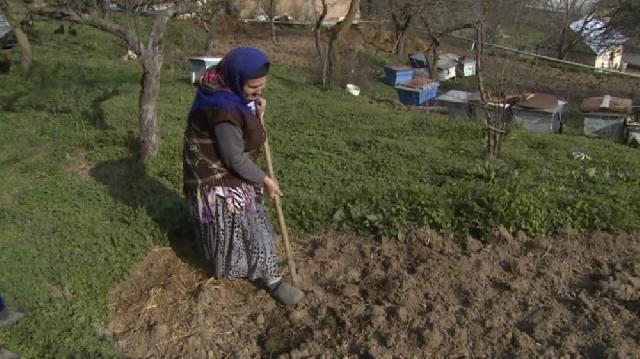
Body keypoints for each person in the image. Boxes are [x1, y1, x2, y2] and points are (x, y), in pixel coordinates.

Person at [183, 47, 304, 306]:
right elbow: (234, 158)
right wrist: (265, 180)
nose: (259, 91)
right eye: (253, 87)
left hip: (224, 166)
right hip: (216, 178)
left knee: (245, 220)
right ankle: (273, 279)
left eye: (262, 86)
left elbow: (243, 113)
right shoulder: (222, 111)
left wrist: (255, 110)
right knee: (250, 220)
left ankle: (241, 262)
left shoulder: (224, 86)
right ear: (237, 79)